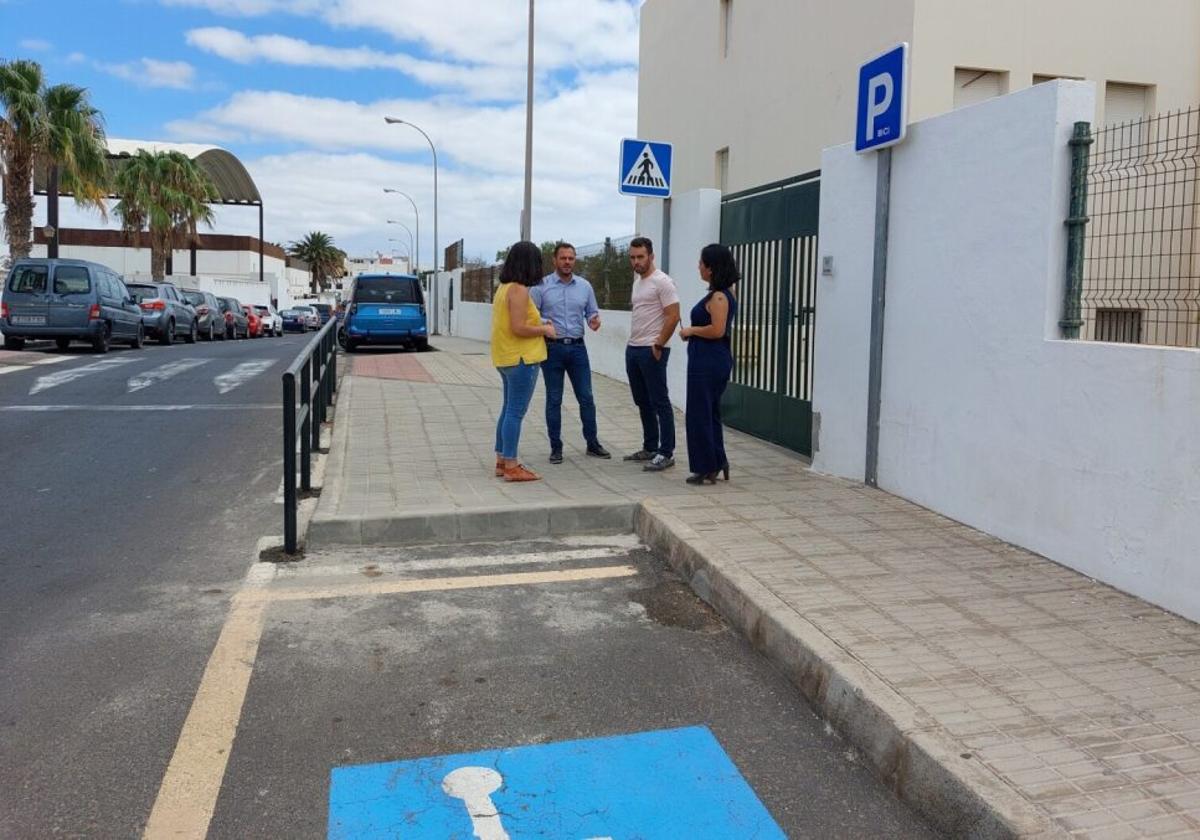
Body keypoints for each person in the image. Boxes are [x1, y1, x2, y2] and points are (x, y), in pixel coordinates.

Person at [530, 243, 611, 464]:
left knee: (586, 397)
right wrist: (544, 321)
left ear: (575, 260)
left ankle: (592, 443)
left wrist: (593, 320)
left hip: (577, 348)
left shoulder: (585, 286)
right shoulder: (541, 286)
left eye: (571, 258)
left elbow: (591, 312)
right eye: (563, 258)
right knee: (554, 399)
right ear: (555, 260)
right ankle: (556, 448)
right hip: (552, 348)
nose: (567, 262)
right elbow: (532, 313)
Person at [491, 241, 556, 482]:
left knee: (508, 409)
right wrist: (545, 330)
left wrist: (540, 323)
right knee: (515, 412)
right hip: (522, 359)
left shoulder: (503, 288)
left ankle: (501, 460)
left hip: (506, 357)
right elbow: (519, 327)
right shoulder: (519, 289)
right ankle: (511, 465)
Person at [680, 244, 739, 485]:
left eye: (701, 263)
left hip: (708, 361)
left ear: (711, 268)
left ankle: (706, 467)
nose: (698, 267)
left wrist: (690, 330)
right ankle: (717, 461)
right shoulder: (725, 293)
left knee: (698, 414)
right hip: (709, 359)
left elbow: (717, 330)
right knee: (709, 412)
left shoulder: (719, 297)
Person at [623, 236, 680, 472]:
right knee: (642, 400)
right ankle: (650, 447)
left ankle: (666, 452)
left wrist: (658, 344)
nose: (636, 262)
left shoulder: (663, 282)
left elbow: (673, 315)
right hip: (633, 348)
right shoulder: (637, 283)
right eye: (633, 257)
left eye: (640, 257)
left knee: (660, 401)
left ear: (651, 256)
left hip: (651, 349)